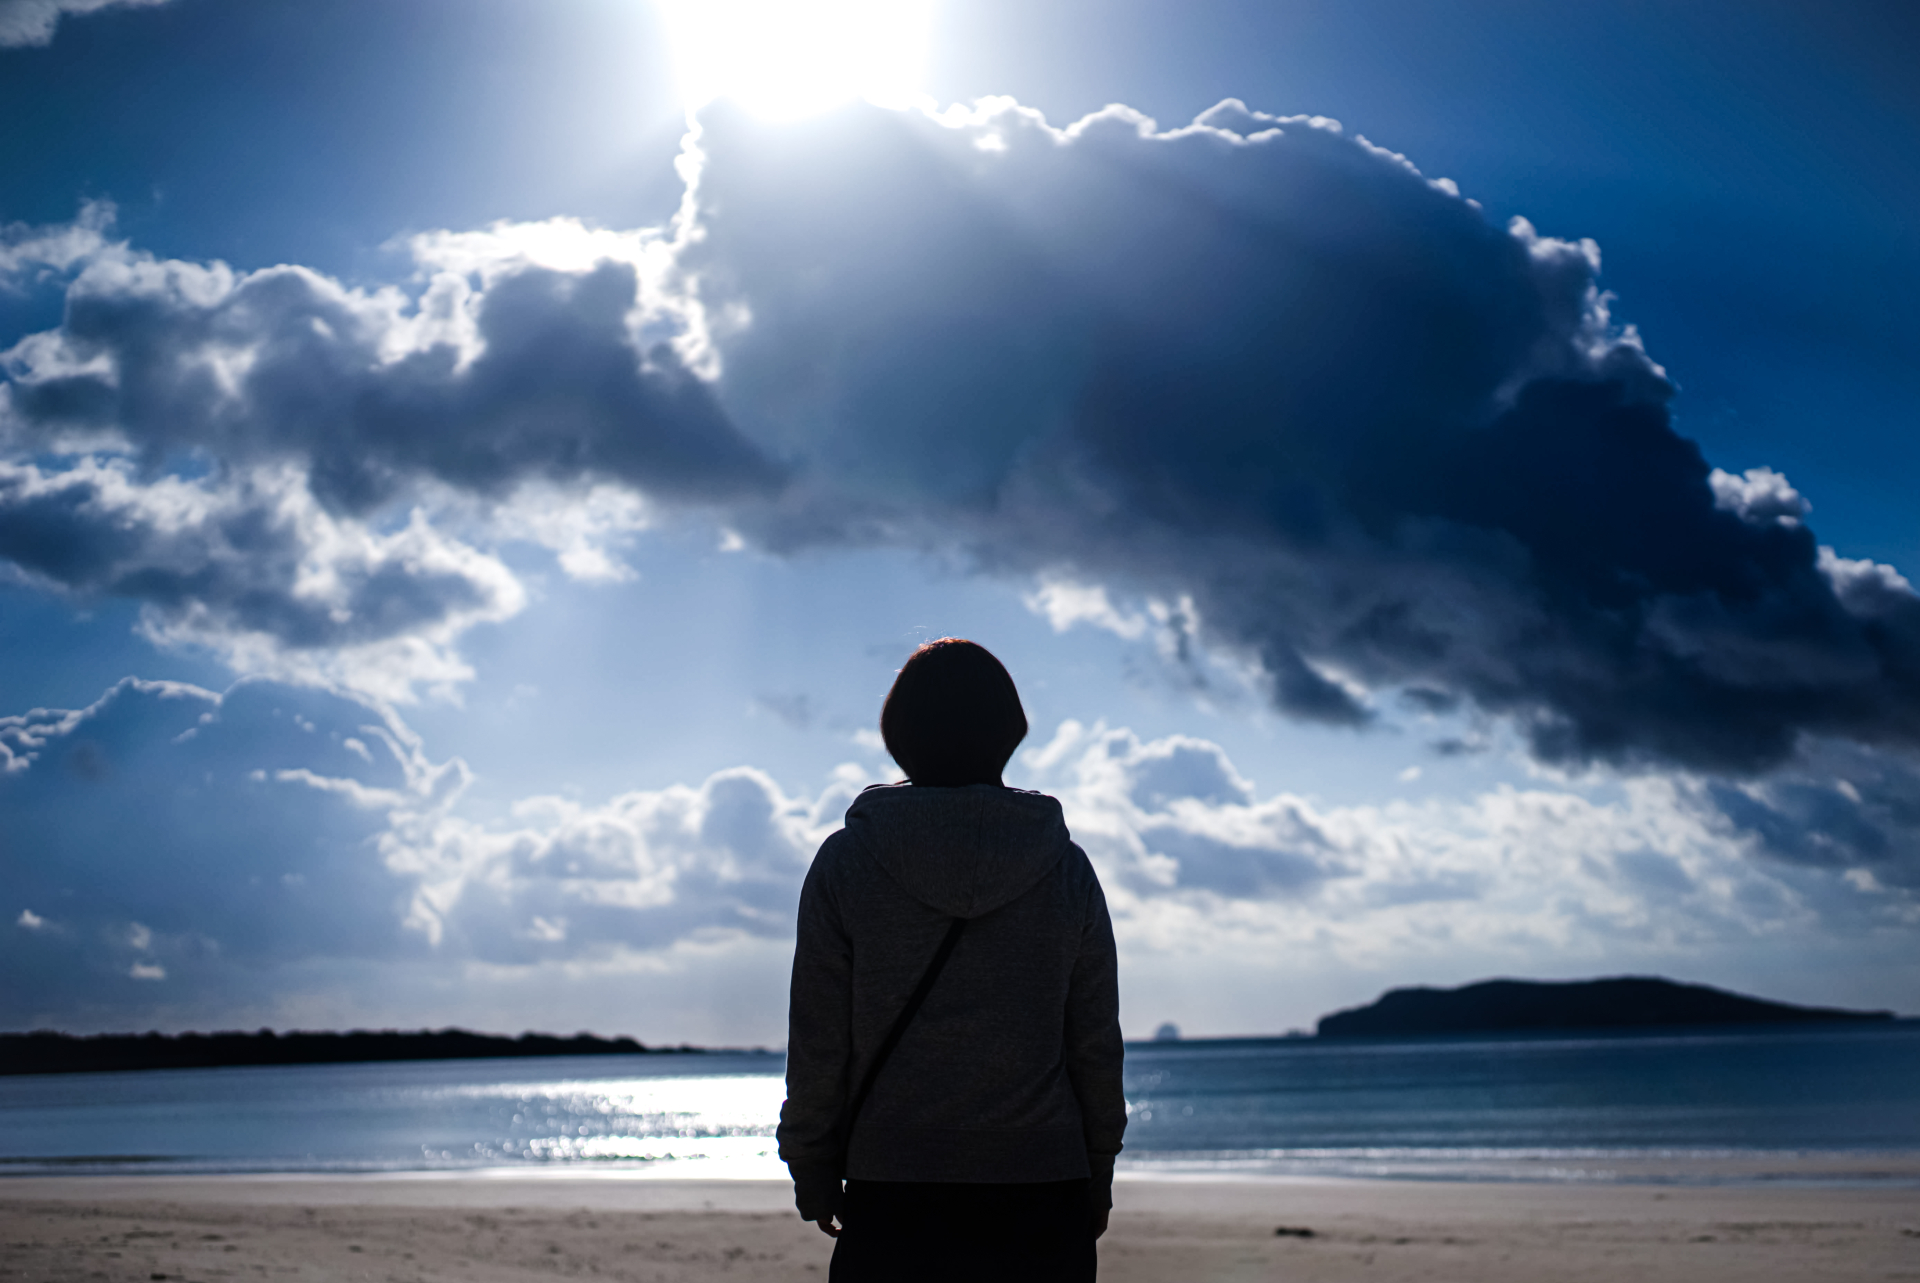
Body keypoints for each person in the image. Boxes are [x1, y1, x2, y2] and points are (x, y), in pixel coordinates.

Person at [776, 638, 1126, 1282]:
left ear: (898, 735)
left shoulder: (847, 864)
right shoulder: (1065, 869)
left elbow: (819, 1038)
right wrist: (1100, 1164)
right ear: (1009, 733)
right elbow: (1095, 1044)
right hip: (1044, 1186)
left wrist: (809, 1160)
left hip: (894, 1185)